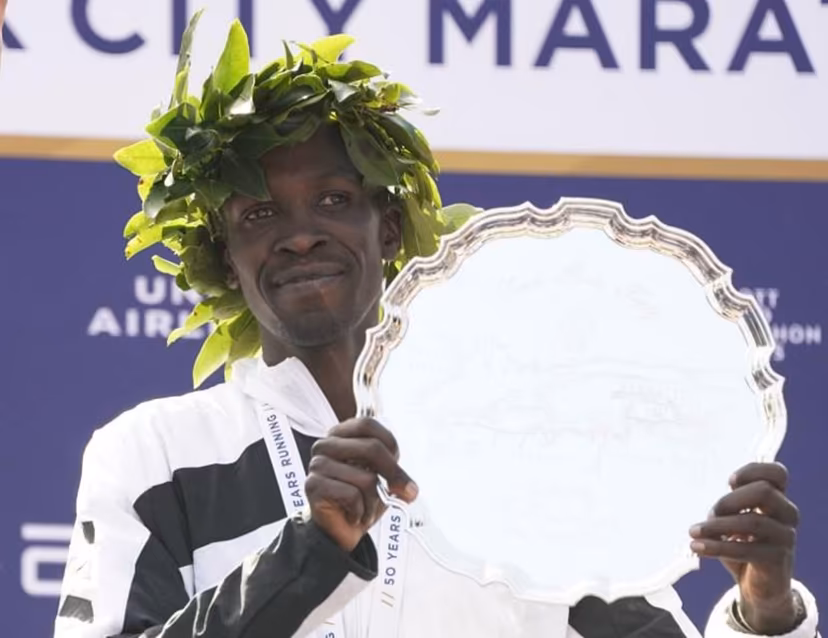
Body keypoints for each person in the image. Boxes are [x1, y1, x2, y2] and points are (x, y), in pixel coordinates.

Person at [47, 12, 820, 638]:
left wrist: (765, 612)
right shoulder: (156, 454)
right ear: (224, 257)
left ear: (389, 230)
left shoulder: (516, 444)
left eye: (334, 200)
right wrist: (311, 553)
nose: (302, 233)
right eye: (258, 213)